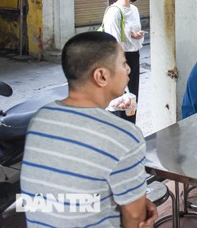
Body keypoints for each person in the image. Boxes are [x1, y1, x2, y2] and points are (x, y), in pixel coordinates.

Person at [20, 31, 157, 227]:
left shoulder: (40, 118)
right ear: (101, 75)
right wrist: (137, 207)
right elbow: (135, 217)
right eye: (123, 63)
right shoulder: (124, 136)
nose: (128, 70)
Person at [101, 0, 145, 124]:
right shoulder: (114, 12)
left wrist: (138, 36)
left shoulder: (134, 10)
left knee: (132, 100)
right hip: (119, 59)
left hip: (134, 56)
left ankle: (130, 131)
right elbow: (112, 43)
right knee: (120, 101)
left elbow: (133, 36)